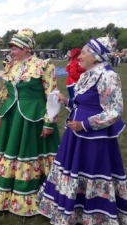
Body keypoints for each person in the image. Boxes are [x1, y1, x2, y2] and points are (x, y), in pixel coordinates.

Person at [36, 38, 127, 224]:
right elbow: (84, 104)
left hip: (94, 137)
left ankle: (92, 215)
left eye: (84, 52)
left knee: (90, 171)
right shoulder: (88, 74)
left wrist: (84, 124)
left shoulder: (108, 76)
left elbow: (115, 111)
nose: (79, 56)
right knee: (74, 172)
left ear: (96, 56)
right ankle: (72, 210)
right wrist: (66, 101)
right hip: (76, 134)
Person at [0, 28, 60, 216]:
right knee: (10, 153)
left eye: (15, 47)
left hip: (33, 118)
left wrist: (49, 123)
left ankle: (37, 197)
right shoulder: (11, 66)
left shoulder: (44, 66)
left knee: (30, 154)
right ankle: (6, 196)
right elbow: (7, 92)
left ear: (26, 48)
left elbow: (52, 95)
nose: (11, 51)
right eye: (11, 47)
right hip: (12, 118)